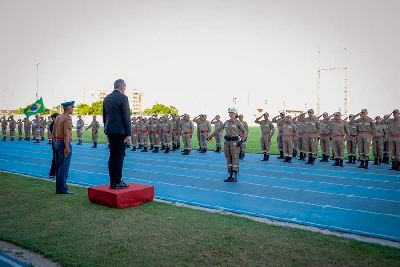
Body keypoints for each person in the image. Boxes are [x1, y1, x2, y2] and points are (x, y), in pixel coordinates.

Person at [103, 79, 132, 189]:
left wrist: (107, 130)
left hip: (110, 131)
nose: (125, 90)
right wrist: (128, 134)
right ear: (121, 87)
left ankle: (112, 182)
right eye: (124, 88)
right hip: (121, 132)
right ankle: (118, 181)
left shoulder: (107, 98)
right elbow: (126, 116)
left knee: (112, 156)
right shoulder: (123, 98)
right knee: (119, 156)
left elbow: (105, 116)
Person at [208, 108, 247, 182]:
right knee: (228, 158)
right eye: (229, 113)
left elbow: (244, 131)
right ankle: (230, 175)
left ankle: (234, 176)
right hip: (227, 142)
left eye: (232, 113)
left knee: (235, 159)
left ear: (235, 114)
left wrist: (242, 140)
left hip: (234, 143)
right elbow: (218, 130)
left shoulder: (238, 122)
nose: (230, 114)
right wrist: (211, 136)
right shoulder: (226, 122)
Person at [52, 102, 74, 194]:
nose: (73, 109)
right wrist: (67, 147)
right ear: (68, 108)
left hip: (57, 142)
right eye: (72, 107)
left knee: (59, 167)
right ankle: (62, 189)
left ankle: (59, 188)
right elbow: (66, 133)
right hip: (63, 143)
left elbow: (53, 131)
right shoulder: (67, 118)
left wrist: (54, 143)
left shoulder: (58, 117)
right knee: (64, 167)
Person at [48, 113, 59, 179]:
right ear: (54, 118)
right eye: (57, 117)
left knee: (60, 158)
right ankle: (52, 173)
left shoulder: (56, 124)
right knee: (55, 158)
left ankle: (59, 172)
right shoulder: (53, 125)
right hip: (55, 142)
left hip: (57, 142)